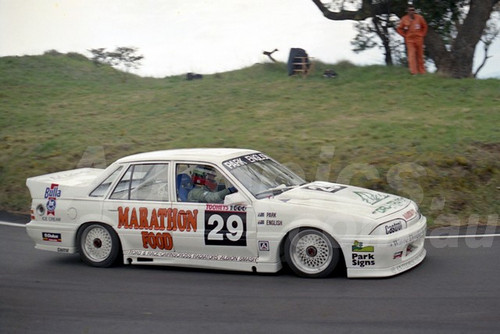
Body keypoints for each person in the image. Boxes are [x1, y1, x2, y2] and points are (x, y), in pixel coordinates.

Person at [397, 4, 428, 75]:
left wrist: (422, 34)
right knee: (411, 55)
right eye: (410, 10)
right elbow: (399, 28)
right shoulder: (404, 19)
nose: (412, 12)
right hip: (410, 40)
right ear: (407, 11)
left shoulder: (419, 18)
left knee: (420, 55)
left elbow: (425, 26)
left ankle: (422, 71)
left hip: (419, 39)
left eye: (413, 10)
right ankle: (413, 72)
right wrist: (404, 35)